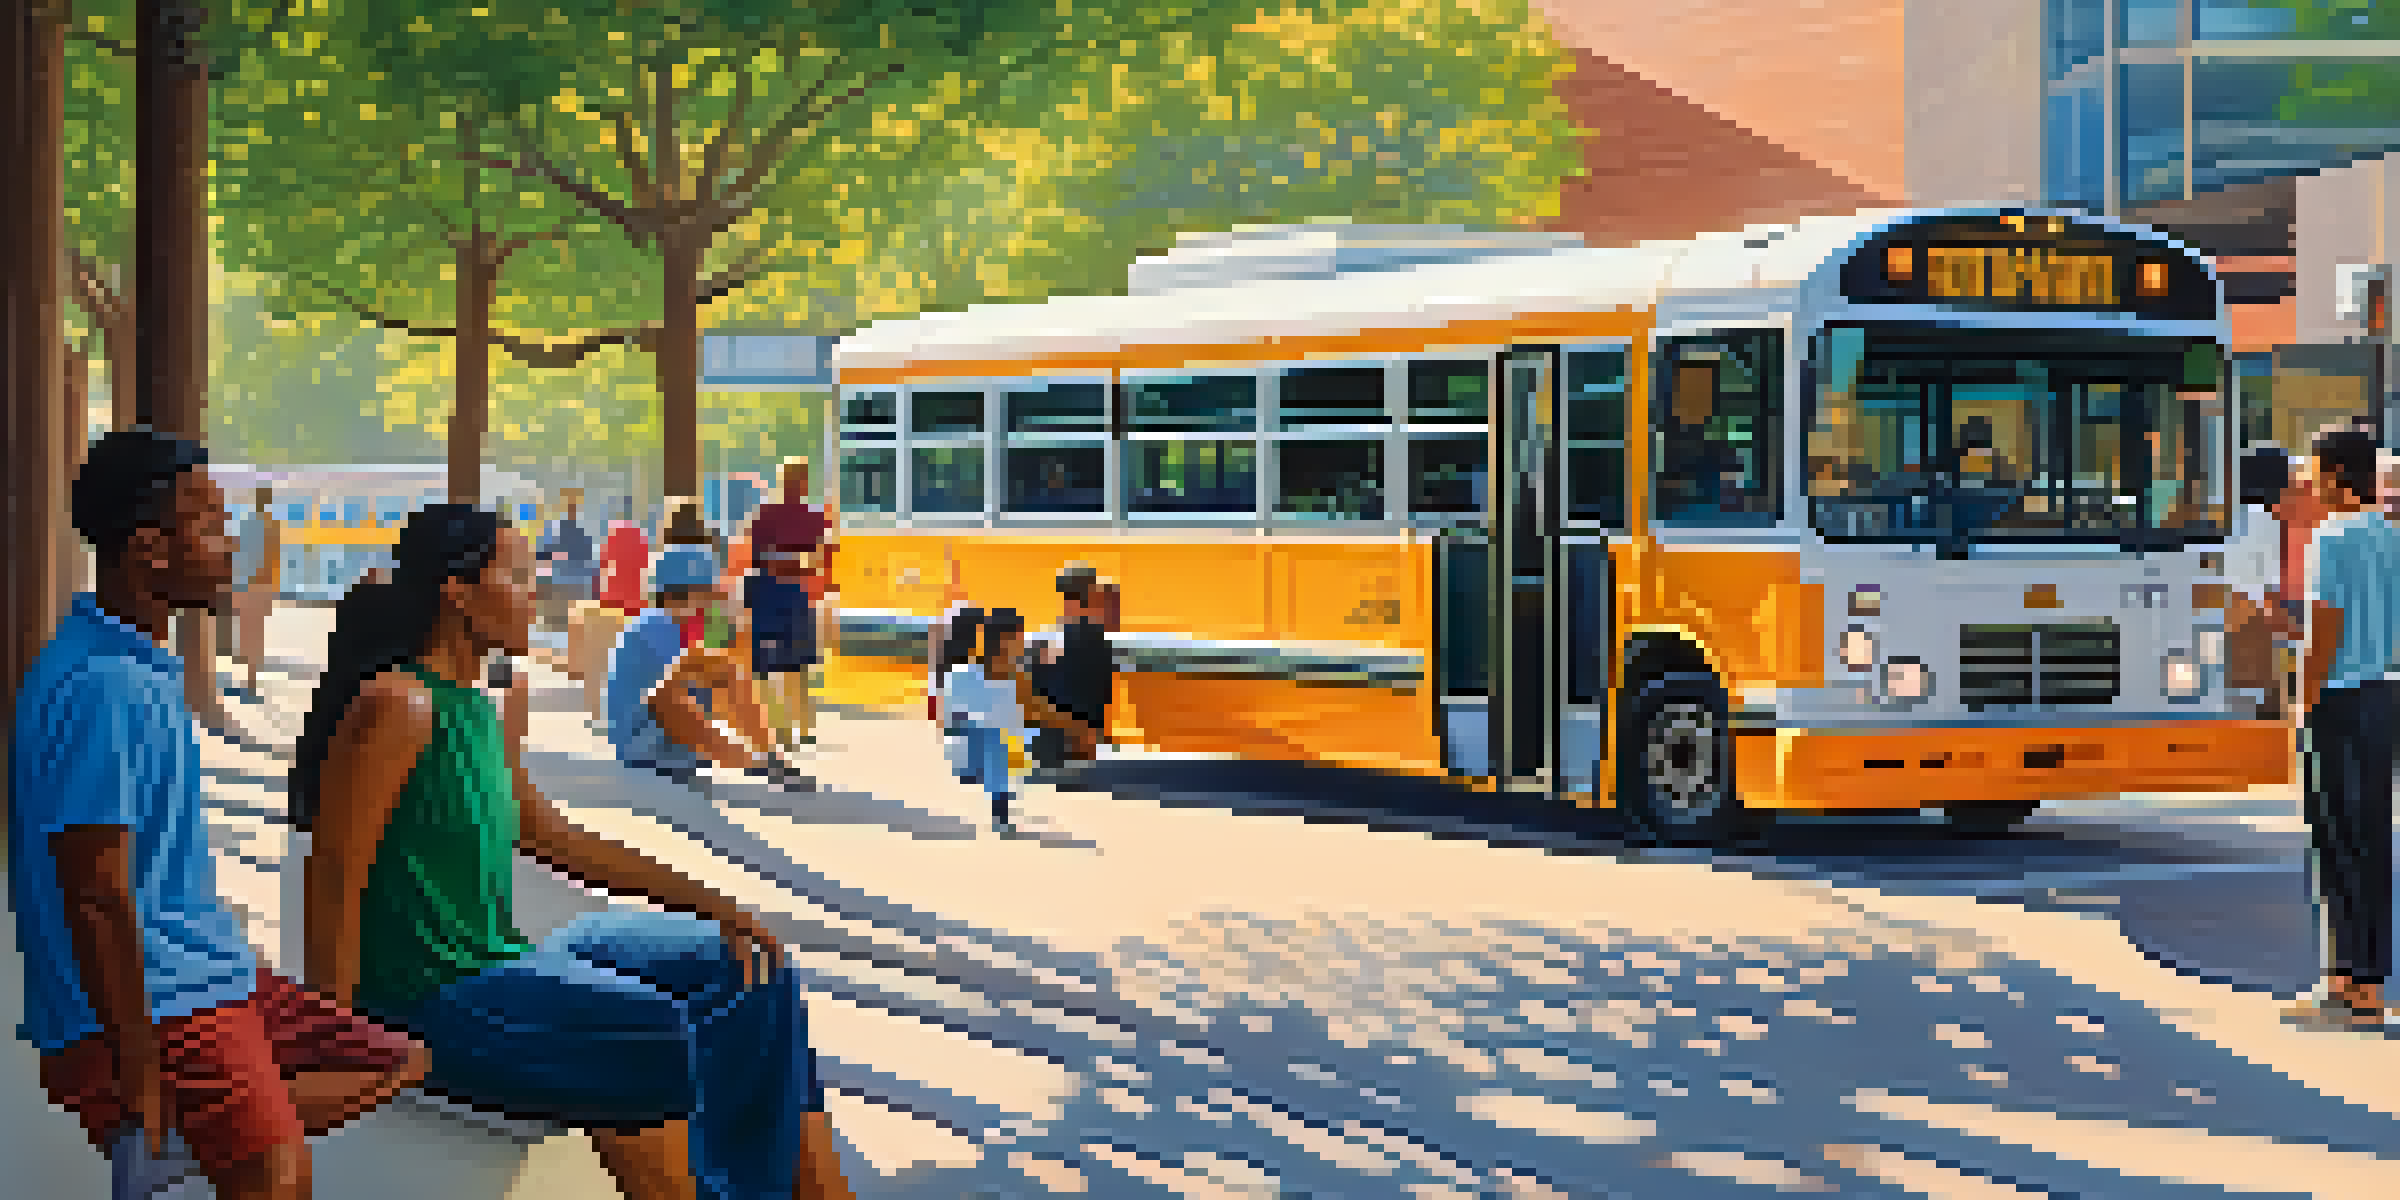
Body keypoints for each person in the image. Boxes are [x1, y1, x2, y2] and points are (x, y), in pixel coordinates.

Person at [292, 506, 852, 1200]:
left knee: (751, 968)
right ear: (457, 592)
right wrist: (334, 1038)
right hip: (426, 997)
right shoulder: (397, 706)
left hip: (502, 959)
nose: (536, 592)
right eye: (517, 576)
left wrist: (715, 904)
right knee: (645, 1029)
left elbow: (555, 839)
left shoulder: (482, 708)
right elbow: (334, 873)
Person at [13, 429, 427, 1200]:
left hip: (207, 974)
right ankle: (183, 1124)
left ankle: (188, 1133)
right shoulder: (105, 684)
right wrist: (138, 1063)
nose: (230, 543)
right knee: (279, 1177)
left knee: (396, 1058)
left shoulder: (137, 665)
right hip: (164, 1002)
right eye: (209, 524)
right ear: (149, 549)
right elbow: (96, 892)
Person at [2283, 429, 2400, 1030]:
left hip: (2339, 699)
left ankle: (2346, 985)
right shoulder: (2390, 536)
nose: (2305, 482)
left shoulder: (2330, 538)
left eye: (2311, 472)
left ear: (2334, 476)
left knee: (2333, 839)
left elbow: (2323, 628)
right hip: (2385, 696)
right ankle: (2367, 983)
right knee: (2372, 839)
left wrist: (2301, 702)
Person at [605, 544, 805, 788]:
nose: (711, 600)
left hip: (658, 740)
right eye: (706, 592)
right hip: (640, 743)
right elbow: (664, 699)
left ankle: (768, 754)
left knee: (719, 667)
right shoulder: (655, 625)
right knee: (680, 687)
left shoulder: (666, 624)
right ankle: (753, 762)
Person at [940, 608, 1083, 837]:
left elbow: (1041, 711)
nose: (1021, 646)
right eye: (1017, 639)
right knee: (994, 740)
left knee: (1008, 740)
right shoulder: (965, 674)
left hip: (1006, 752)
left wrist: (1074, 726)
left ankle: (1001, 804)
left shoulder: (1017, 679)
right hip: (973, 753)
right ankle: (999, 803)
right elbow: (952, 720)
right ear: (1002, 642)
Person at [1028, 563, 1115, 770]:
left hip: (1061, 735)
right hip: (1074, 736)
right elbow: (1103, 692)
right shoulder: (1095, 639)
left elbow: (1045, 687)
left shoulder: (1068, 637)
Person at [227, 485, 283, 702]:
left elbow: (246, 557)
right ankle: (248, 683)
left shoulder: (254, 524)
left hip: (253, 588)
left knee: (250, 636)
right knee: (249, 636)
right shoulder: (265, 524)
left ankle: (249, 685)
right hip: (256, 587)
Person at [534, 487, 598, 637]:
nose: (571, 508)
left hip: (572, 587)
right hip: (563, 587)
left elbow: (588, 563)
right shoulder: (556, 530)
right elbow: (543, 556)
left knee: (569, 628)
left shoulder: (581, 533)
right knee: (561, 628)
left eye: (573, 504)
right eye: (569, 503)